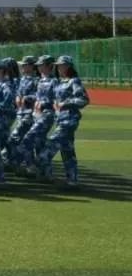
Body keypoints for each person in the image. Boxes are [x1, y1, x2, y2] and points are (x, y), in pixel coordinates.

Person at [36, 56, 89, 186]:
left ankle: (45, 174)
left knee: (48, 148)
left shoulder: (74, 81)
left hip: (69, 121)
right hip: (60, 119)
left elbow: (84, 99)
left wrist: (65, 103)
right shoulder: (60, 82)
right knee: (67, 152)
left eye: (62, 66)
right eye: (58, 66)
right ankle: (72, 181)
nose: (60, 68)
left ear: (69, 67)